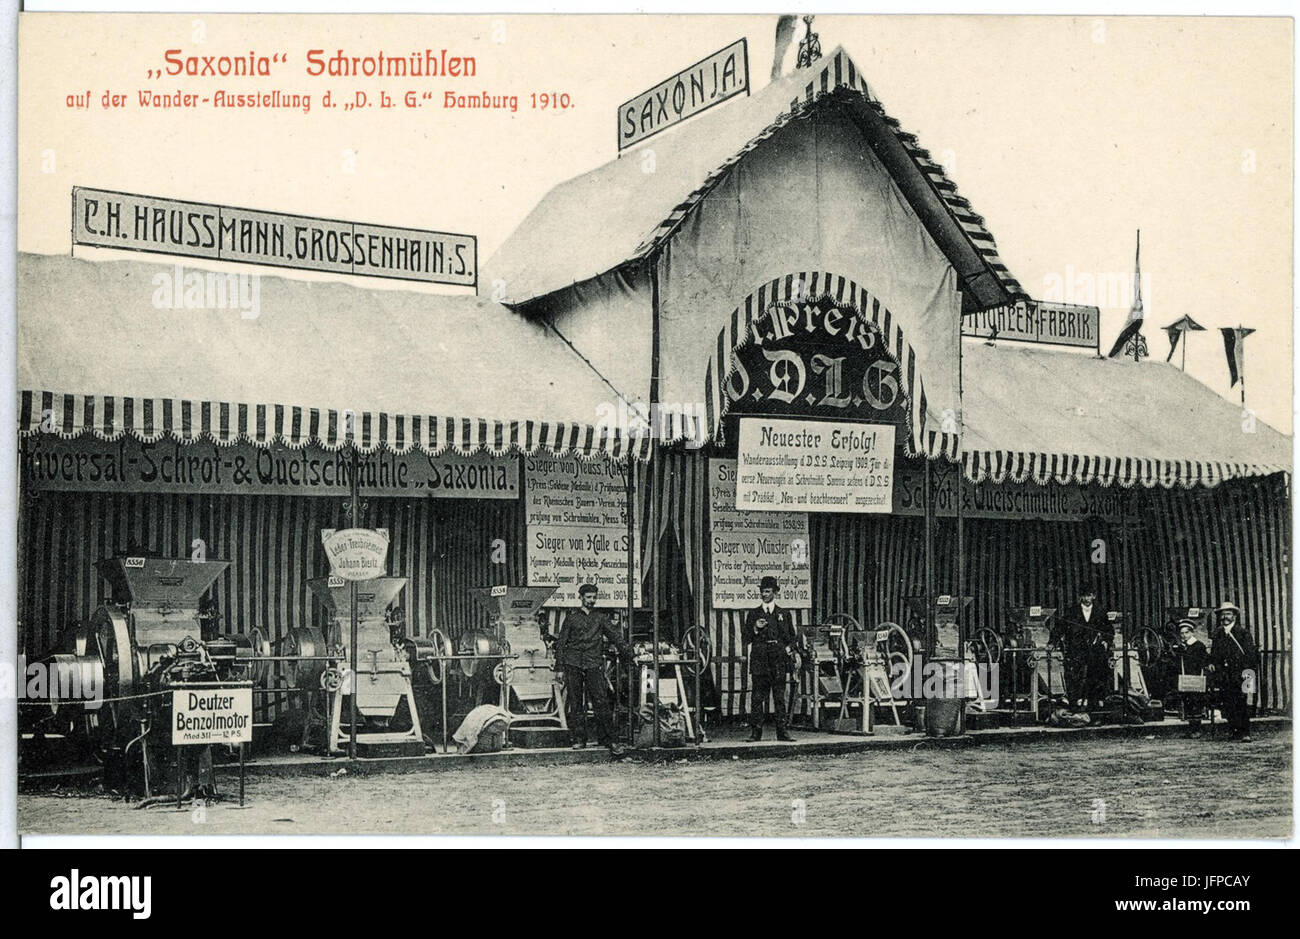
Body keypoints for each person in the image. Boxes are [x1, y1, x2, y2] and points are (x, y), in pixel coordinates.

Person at [555, 583, 632, 755]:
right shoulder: (571, 618)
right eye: (588, 597)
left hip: (593, 663)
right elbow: (561, 644)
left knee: (601, 701)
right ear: (581, 597)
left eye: (594, 597)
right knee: (576, 703)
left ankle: (609, 740)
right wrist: (559, 668)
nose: (592, 601)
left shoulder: (600, 618)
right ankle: (579, 740)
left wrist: (629, 652)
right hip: (573, 663)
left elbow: (616, 637)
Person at [742, 575, 796, 742]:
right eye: (762, 591)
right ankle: (756, 732)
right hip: (760, 660)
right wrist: (755, 629)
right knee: (758, 697)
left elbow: (792, 637)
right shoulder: (753, 613)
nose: (764, 594)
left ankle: (782, 732)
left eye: (767, 591)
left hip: (778, 660)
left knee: (779, 697)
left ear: (775, 592)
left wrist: (788, 648)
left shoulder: (784, 614)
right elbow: (745, 639)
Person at [1209, 600, 1258, 742]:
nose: (1225, 617)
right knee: (1228, 703)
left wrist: (1248, 676)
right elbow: (1214, 653)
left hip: (1241, 674)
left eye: (1228, 614)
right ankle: (1234, 731)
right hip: (1224, 675)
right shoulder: (1218, 633)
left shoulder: (1243, 633)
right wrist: (1212, 662)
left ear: (1234, 616)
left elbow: (1250, 655)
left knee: (1242, 703)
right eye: (1222, 614)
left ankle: (1245, 733)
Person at [1056, 589, 1109, 709]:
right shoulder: (1072, 611)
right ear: (1080, 597)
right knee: (1076, 676)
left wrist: (1106, 641)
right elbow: (1061, 627)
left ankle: (1094, 701)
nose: (1086, 599)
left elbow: (1108, 629)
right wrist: (1053, 641)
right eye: (1084, 596)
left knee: (1096, 674)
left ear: (1093, 596)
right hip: (1076, 649)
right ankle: (1075, 701)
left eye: (1089, 595)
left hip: (1094, 650)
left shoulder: (1100, 611)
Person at [1173, 620, 1210, 736]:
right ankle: (1191, 729)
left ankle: (1197, 730)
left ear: (1192, 633)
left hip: (1195, 678)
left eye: (1186, 633)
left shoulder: (1198, 646)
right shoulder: (1181, 647)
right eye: (1182, 633)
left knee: (1196, 704)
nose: (1184, 635)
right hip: (1185, 679)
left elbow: (1203, 661)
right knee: (1188, 704)